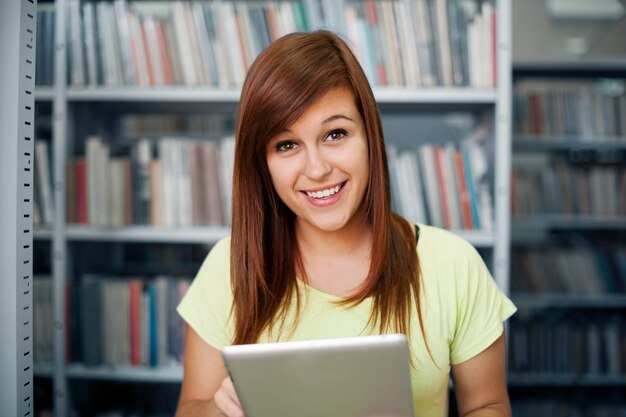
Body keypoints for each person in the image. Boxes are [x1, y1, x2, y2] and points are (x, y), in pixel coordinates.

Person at [175, 30, 516, 417]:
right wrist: (221, 411)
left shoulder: (452, 263)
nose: (318, 169)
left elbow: (487, 405)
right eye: (286, 145)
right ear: (262, 163)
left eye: (335, 134)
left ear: (369, 136)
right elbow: (190, 408)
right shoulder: (228, 267)